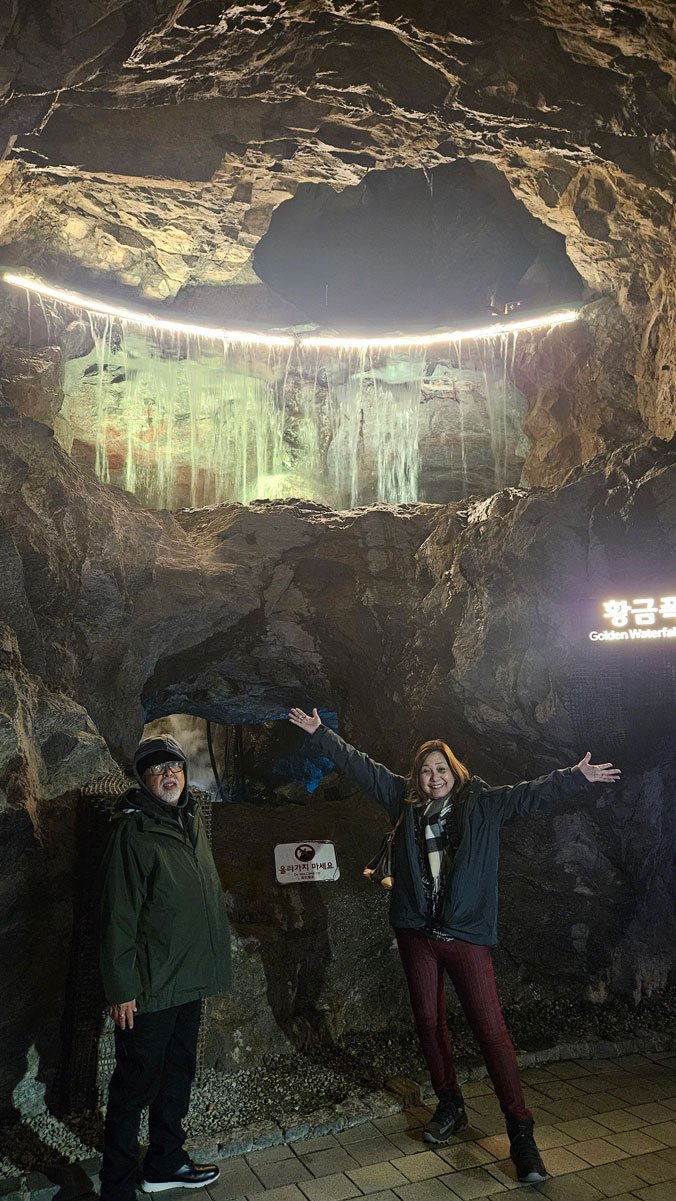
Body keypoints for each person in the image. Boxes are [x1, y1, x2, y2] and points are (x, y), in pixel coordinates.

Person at [288, 707, 620, 1184]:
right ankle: (450, 1105)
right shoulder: (401, 802)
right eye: (425, 770)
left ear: (454, 772)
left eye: (441, 768)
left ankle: (521, 1133)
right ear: (417, 778)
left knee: (491, 1031)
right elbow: (360, 766)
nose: (433, 776)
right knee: (428, 1021)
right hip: (417, 934)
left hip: (466, 936)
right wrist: (322, 734)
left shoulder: (482, 803)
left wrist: (576, 776)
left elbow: (530, 795)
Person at [98, 734, 231, 1200]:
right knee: (135, 1086)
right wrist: (120, 989)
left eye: (173, 766)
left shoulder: (188, 820)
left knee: (178, 1075)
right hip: (151, 986)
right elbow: (117, 915)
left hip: (187, 979)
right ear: (144, 780)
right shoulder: (133, 834)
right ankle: (115, 1186)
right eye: (157, 770)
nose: (168, 775)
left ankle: (164, 1162)